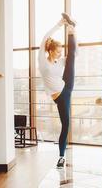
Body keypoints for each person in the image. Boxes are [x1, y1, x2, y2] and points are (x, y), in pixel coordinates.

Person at [38, 13, 77, 168]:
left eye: (61, 51)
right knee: (66, 124)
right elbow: (45, 38)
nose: (60, 53)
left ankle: (72, 29)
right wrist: (59, 24)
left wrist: (71, 54)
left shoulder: (60, 61)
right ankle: (61, 157)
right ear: (51, 50)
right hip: (60, 97)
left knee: (72, 56)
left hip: (66, 86)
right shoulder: (42, 61)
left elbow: (73, 55)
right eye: (58, 50)